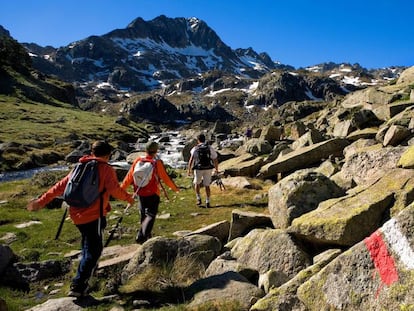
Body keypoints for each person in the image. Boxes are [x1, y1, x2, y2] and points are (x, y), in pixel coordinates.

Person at [27, 140, 135, 298]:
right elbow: (114, 190)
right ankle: (78, 285)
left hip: (76, 215)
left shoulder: (79, 166)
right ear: (108, 154)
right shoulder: (105, 168)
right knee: (94, 250)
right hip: (94, 215)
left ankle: (87, 274)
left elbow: (59, 186)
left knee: (87, 244)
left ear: (92, 152)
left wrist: (41, 202)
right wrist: (129, 199)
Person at [121, 141, 179, 244]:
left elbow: (129, 177)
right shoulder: (157, 163)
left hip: (139, 192)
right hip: (153, 193)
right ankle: (143, 236)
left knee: (143, 214)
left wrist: (121, 189)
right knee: (151, 215)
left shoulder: (138, 160)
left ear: (145, 150)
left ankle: (144, 235)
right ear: (156, 151)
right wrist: (175, 189)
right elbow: (165, 178)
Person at [187, 133, 219, 208]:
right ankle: (207, 201)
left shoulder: (195, 148)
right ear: (205, 139)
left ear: (198, 140)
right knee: (207, 185)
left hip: (198, 168)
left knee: (197, 183)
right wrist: (216, 169)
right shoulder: (209, 148)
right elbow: (215, 159)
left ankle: (199, 199)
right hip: (208, 168)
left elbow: (191, 160)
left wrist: (189, 169)